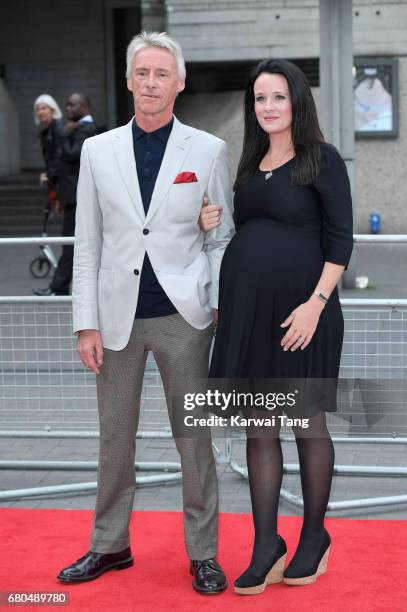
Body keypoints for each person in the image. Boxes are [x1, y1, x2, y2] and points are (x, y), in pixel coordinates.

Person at [57, 32, 234, 594]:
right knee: (115, 437)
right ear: (128, 80)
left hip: (186, 317)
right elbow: (86, 242)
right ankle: (110, 545)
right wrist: (84, 321)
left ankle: (203, 552)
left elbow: (221, 238)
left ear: (179, 82)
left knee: (193, 439)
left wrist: (217, 300)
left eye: (162, 74)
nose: (151, 83)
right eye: (142, 73)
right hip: (114, 320)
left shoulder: (207, 150)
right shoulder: (97, 150)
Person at [202, 58, 353, 594]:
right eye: (260, 99)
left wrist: (315, 304)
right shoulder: (250, 162)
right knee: (258, 427)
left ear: (298, 102)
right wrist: (210, 222)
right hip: (251, 316)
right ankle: (266, 542)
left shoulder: (322, 159)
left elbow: (341, 241)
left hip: (304, 317)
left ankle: (314, 537)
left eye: (278, 97)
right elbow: (249, 232)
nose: (268, 107)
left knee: (307, 423)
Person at [33, 93, 98, 296]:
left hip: (78, 196)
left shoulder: (86, 129)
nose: (68, 108)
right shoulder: (77, 127)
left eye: (72, 105)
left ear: (85, 106)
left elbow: (70, 155)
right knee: (72, 243)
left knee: (71, 244)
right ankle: (61, 287)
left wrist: (63, 134)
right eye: (67, 105)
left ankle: (60, 287)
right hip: (72, 196)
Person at [33, 93, 63, 209]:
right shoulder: (49, 130)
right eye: (38, 109)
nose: (40, 112)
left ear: (52, 109)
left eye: (44, 108)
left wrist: (49, 175)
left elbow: (59, 156)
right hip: (57, 180)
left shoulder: (58, 128)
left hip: (63, 182)